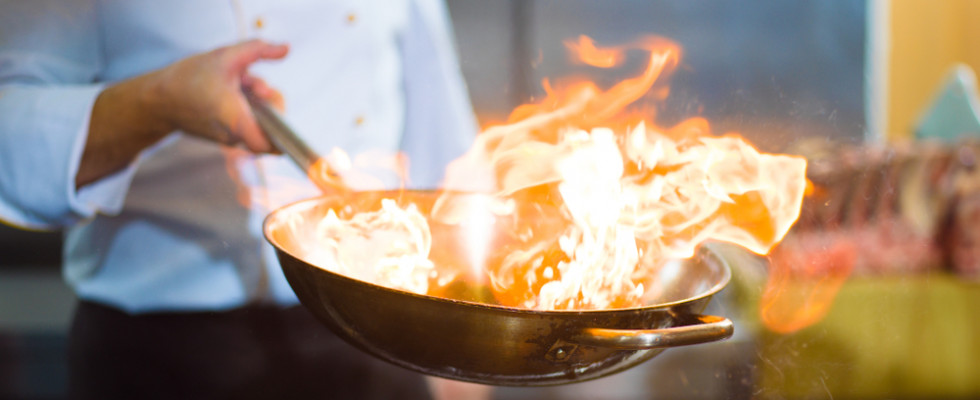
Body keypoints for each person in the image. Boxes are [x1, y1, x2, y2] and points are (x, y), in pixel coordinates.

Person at [0, 1, 484, 398]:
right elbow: (11, 138)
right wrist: (158, 103)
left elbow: (444, 150)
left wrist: (462, 365)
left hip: (378, 343)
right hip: (161, 357)